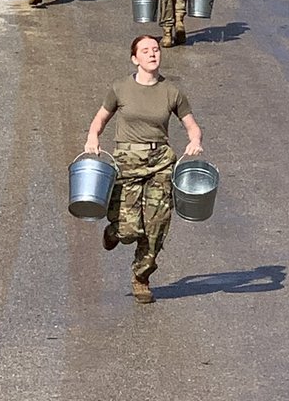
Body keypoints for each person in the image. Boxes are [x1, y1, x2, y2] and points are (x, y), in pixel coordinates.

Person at [84, 34, 204, 304]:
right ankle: (113, 231)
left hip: (160, 162)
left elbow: (192, 126)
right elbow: (99, 120)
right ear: (134, 58)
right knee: (129, 230)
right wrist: (93, 138)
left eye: (156, 49)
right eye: (146, 51)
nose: (152, 54)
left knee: (156, 226)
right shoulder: (120, 89)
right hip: (126, 162)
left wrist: (195, 141)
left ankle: (141, 277)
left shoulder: (172, 92)